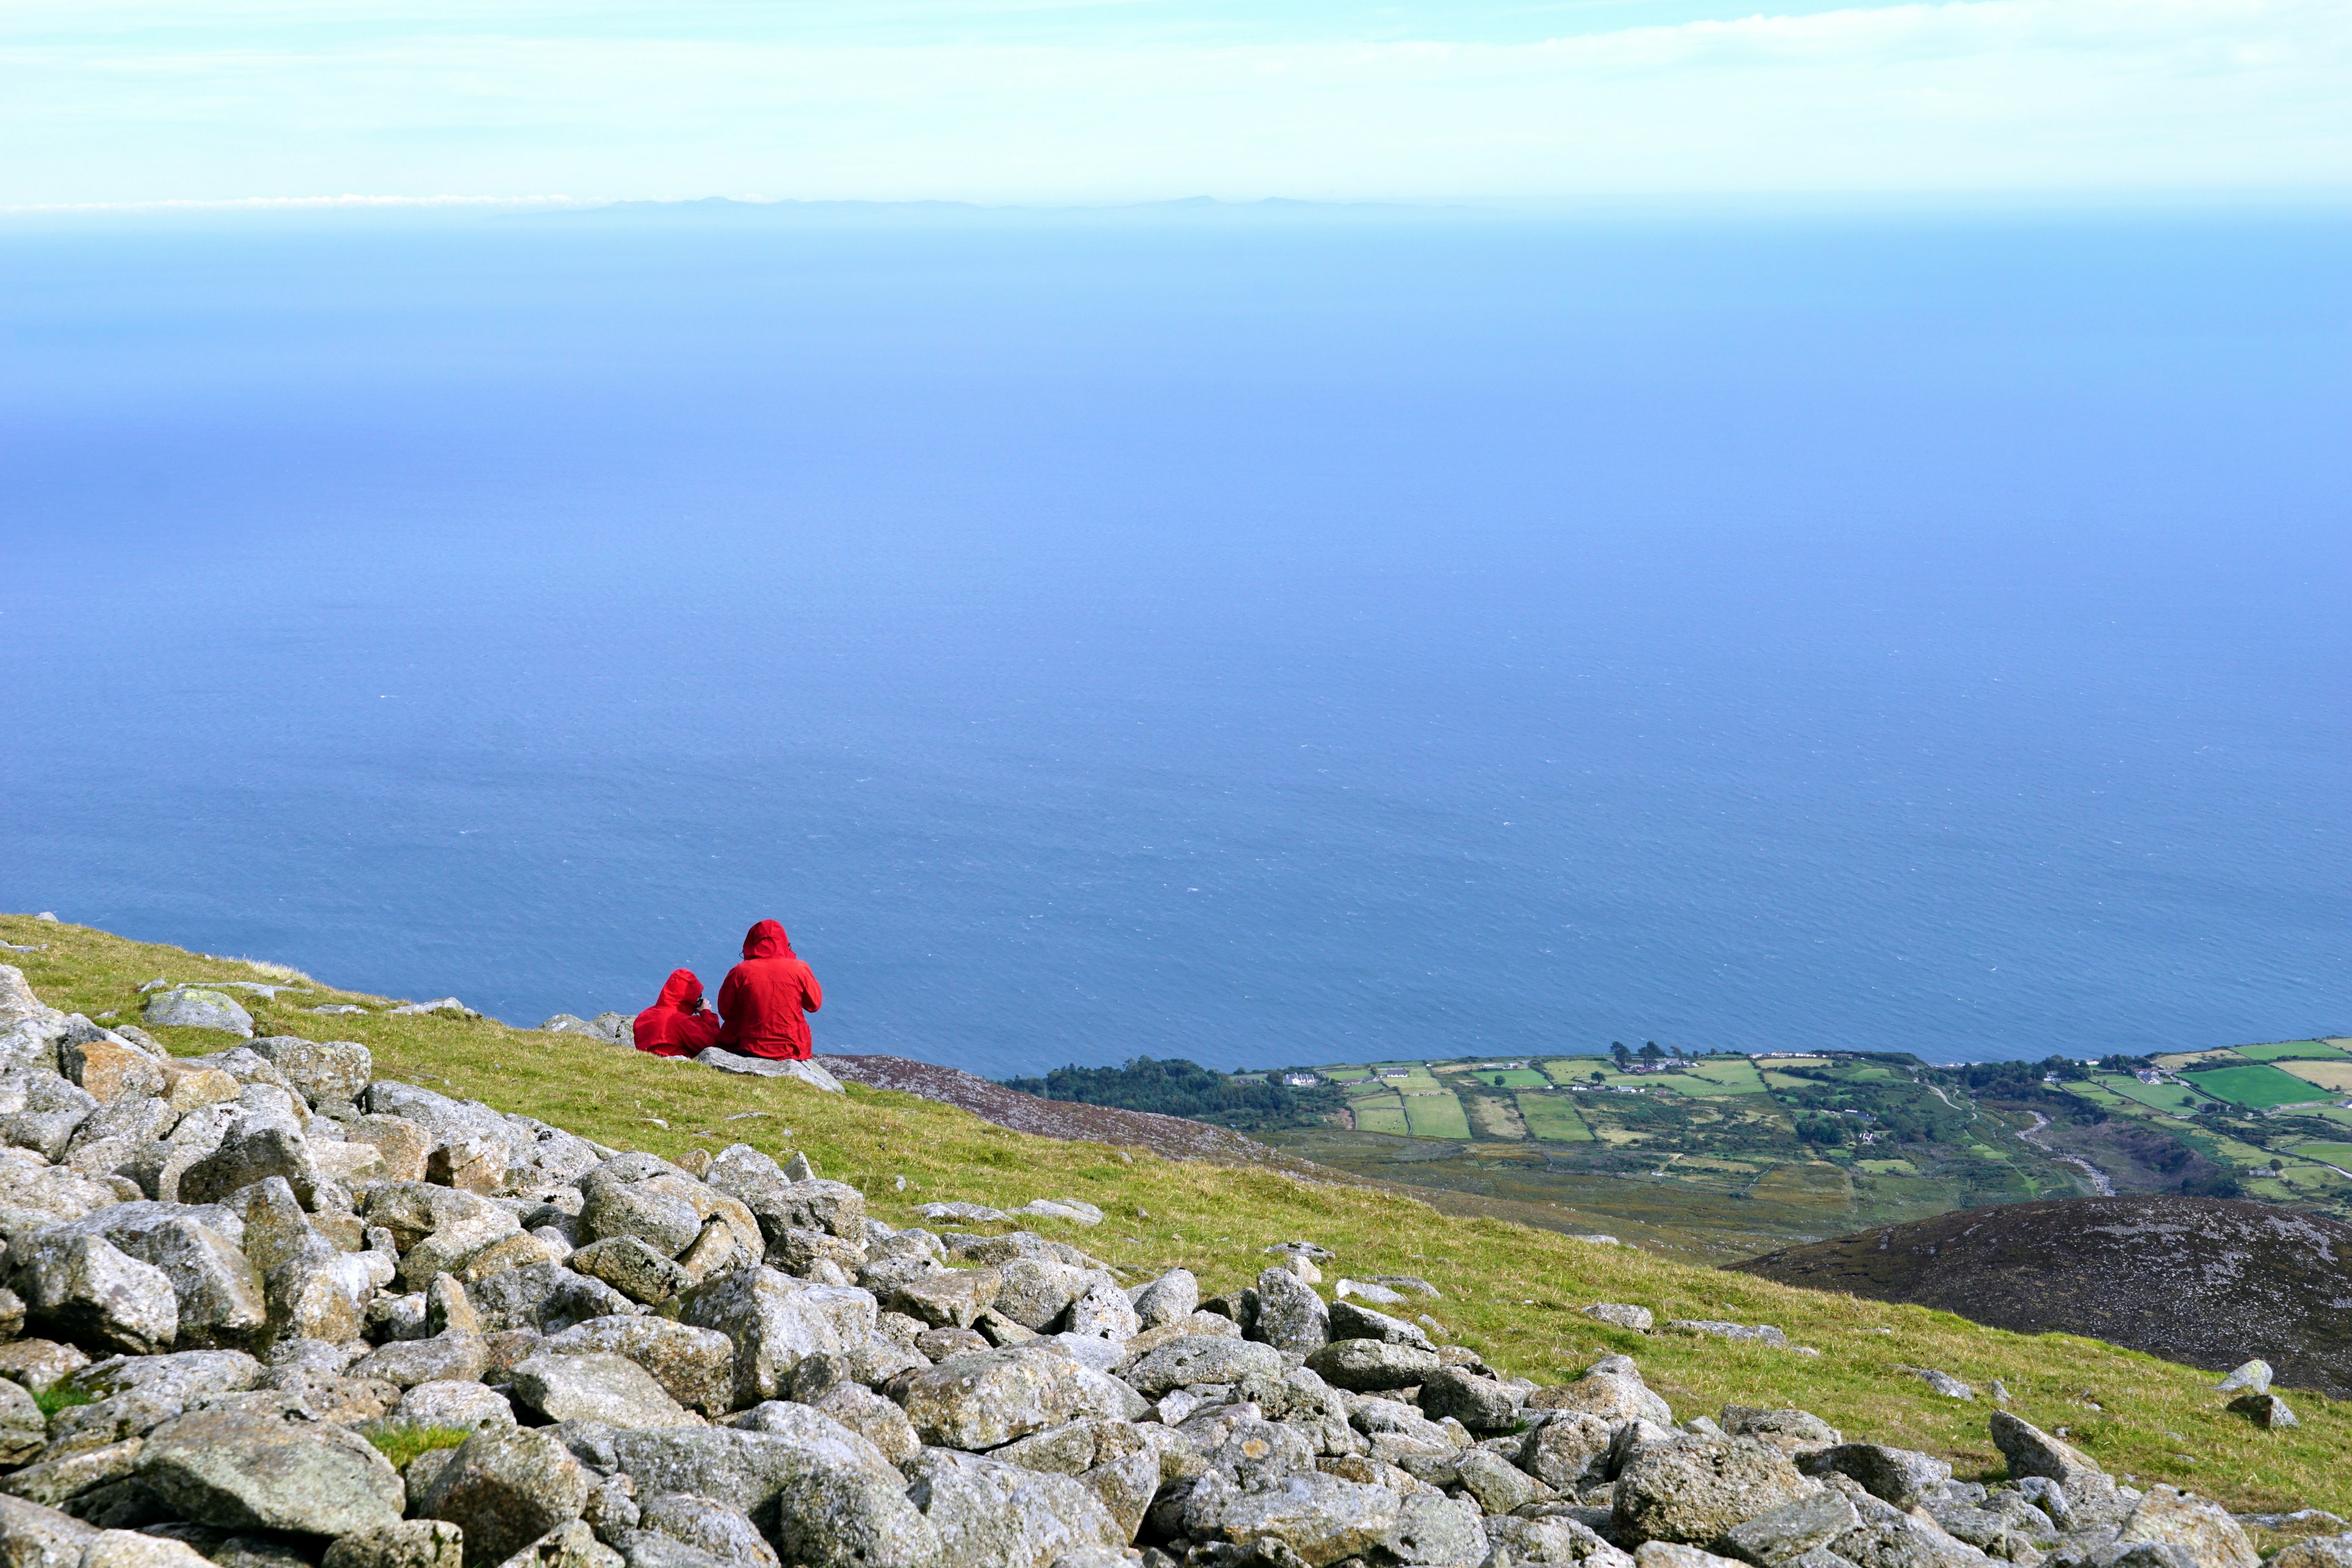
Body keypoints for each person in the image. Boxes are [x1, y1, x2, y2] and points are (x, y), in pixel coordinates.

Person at [715, 918, 824, 1060]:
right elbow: (814, 1004)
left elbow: (726, 1011)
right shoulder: (799, 969)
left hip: (747, 1046)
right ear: (784, 942)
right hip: (790, 1049)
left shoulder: (740, 971)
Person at [633, 968, 720, 1057]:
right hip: (674, 1067)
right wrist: (707, 1013)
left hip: (647, 1064)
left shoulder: (643, 1016)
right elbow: (714, 1045)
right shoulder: (681, 1022)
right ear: (689, 998)